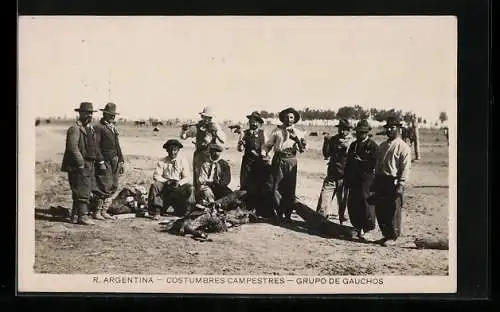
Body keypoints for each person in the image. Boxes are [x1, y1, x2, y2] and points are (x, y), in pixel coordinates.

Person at [371, 116, 412, 247]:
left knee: (393, 210)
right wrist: (374, 180)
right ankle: (386, 234)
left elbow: (405, 167)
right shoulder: (382, 146)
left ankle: (394, 237)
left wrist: (401, 184)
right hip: (381, 180)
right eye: (387, 127)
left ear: (398, 129)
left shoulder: (403, 147)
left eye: (392, 127)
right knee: (380, 210)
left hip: (393, 182)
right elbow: (377, 165)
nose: (389, 130)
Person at [263, 107, 306, 223]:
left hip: (291, 160)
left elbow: (303, 149)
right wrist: (265, 154)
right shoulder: (276, 131)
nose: (289, 119)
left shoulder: (299, 133)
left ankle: (288, 214)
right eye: (286, 117)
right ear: (283, 119)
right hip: (278, 159)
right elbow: (268, 145)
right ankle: (278, 212)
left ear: (294, 119)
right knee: (275, 187)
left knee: (290, 188)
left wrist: (297, 139)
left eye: (291, 117)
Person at [60, 102, 99, 225]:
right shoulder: (75, 129)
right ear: (80, 113)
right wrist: (81, 163)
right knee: (81, 190)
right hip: (78, 165)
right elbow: (72, 148)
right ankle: (82, 216)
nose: (89, 115)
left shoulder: (90, 128)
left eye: (91, 113)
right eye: (87, 113)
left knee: (84, 189)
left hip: (88, 164)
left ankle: (74, 216)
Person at [344, 119, 379, 240]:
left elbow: (375, 163)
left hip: (367, 179)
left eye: (363, 132)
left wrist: (362, 162)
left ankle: (368, 228)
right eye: (358, 132)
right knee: (353, 202)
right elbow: (348, 162)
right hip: (354, 178)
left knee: (366, 202)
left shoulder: (373, 146)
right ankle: (357, 227)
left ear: (367, 133)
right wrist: (347, 178)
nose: (360, 134)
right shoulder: (353, 145)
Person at [316, 118, 354, 223]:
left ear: (349, 130)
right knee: (324, 201)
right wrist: (326, 142)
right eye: (340, 129)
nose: (342, 131)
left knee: (343, 203)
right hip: (332, 175)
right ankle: (320, 220)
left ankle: (342, 221)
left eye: (345, 129)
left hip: (344, 177)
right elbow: (326, 154)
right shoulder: (333, 140)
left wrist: (346, 149)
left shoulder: (353, 142)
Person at [181, 106, 226, 194]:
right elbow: (184, 137)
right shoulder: (197, 126)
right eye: (204, 117)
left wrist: (216, 130)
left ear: (212, 118)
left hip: (211, 157)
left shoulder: (215, 126)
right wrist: (184, 130)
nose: (206, 119)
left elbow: (223, 140)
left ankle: (210, 199)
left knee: (210, 178)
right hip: (199, 155)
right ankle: (198, 199)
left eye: (209, 117)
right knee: (198, 179)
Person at [91, 102, 125, 220]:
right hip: (104, 160)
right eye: (110, 114)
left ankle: (104, 211)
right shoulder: (98, 127)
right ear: (104, 114)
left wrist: (121, 161)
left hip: (114, 160)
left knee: (114, 185)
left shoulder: (113, 128)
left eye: (113, 115)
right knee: (104, 185)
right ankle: (97, 211)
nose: (112, 117)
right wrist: (100, 161)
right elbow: (96, 146)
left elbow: (117, 145)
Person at [147, 139, 196, 220]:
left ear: (178, 150)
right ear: (167, 151)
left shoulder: (183, 161)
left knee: (190, 188)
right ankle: (157, 211)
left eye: (175, 150)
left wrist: (179, 183)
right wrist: (166, 181)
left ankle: (188, 211)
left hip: (178, 189)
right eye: (170, 150)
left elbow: (187, 177)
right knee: (155, 185)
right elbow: (156, 176)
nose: (173, 152)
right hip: (166, 188)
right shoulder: (162, 161)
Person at [237, 111, 270, 213]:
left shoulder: (263, 133)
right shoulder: (244, 133)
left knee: (258, 183)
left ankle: (257, 208)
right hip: (247, 161)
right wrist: (241, 144)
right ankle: (245, 207)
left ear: (259, 123)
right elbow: (240, 149)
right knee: (245, 182)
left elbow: (267, 147)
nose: (253, 123)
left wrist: (266, 157)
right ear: (249, 122)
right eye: (252, 121)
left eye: (256, 121)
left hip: (259, 162)